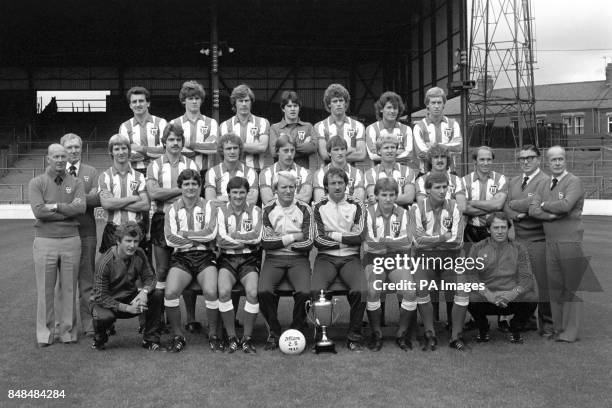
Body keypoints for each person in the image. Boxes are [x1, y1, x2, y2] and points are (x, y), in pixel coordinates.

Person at [29, 144, 85, 347]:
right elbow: (39, 212)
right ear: (48, 159)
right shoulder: (37, 182)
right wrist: (66, 212)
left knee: (69, 288)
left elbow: (80, 208)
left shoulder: (76, 182)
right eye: (56, 156)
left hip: (71, 239)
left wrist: (54, 207)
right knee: (45, 290)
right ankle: (45, 334)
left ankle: (67, 332)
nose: (60, 160)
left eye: (63, 156)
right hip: (45, 241)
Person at [529, 146, 586, 343]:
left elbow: (566, 205)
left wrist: (544, 206)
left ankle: (570, 332)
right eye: (553, 160)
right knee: (554, 288)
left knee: (571, 288)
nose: (557, 162)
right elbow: (532, 209)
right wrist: (550, 212)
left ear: (565, 160)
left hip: (570, 241)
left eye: (560, 159)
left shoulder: (574, 182)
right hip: (550, 241)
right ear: (548, 162)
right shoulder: (543, 184)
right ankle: (558, 328)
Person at [146, 124, 199, 331]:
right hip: (162, 218)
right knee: (161, 269)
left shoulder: (190, 163)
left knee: (187, 266)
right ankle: (159, 317)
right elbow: (154, 194)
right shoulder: (155, 165)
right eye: (171, 139)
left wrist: (170, 191)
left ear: (182, 142)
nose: (175, 143)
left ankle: (191, 318)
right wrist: (181, 189)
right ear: (164, 142)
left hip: (187, 218)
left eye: (178, 139)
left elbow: (194, 193)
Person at [163, 169, 220, 352]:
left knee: (211, 291)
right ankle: (178, 336)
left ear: (200, 186)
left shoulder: (209, 206)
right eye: (186, 184)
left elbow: (212, 233)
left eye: (194, 183)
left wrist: (185, 234)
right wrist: (198, 238)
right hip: (182, 257)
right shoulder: (171, 209)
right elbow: (170, 239)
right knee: (170, 292)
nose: (190, 187)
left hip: (205, 256)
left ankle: (213, 334)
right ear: (180, 186)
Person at [311, 167, 367, 351]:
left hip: (351, 258)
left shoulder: (357, 205)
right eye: (332, 183)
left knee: (360, 290)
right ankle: (321, 337)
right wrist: (346, 238)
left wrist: (333, 235)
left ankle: (354, 338)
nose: (337, 187)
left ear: (346, 185)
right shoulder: (318, 206)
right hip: (326, 258)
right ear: (326, 187)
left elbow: (359, 237)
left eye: (340, 183)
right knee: (316, 290)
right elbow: (318, 240)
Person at [363, 178, 420, 351]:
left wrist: (384, 242)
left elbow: (408, 242)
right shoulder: (367, 213)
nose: (388, 199)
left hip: (398, 260)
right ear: (376, 196)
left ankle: (401, 334)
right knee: (372, 291)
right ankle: (376, 333)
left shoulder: (404, 213)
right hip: (374, 261)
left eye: (392, 195)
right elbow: (368, 244)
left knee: (410, 292)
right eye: (384, 195)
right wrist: (392, 243)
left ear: (396, 196)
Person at [259, 172, 314, 350]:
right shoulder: (267, 208)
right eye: (284, 187)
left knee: (305, 292)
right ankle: (274, 332)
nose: (288, 190)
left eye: (291, 187)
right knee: (263, 291)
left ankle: (296, 329)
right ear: (275, 189)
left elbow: (308, 242)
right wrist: (292, 237)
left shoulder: (305, 208)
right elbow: (266, 242)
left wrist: (280, 240)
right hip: (273, 259)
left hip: (298, 259)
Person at [413, 172, 468, 350]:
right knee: (421, 289)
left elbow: (457, 241)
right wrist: (442, 238)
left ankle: (456, 336)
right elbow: (417, 242)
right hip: (425, 259)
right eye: (438, 187)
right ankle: (430, 333)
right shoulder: (416, 208)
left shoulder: (455, 207)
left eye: (445, 187)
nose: (442, 190)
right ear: (427, 189)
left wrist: (432, 240)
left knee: (462, 290)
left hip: (451, 258)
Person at [90, 222, 163, 350]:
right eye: (128, 241)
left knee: (157, 294)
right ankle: (100, 337)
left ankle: (150, 339)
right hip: (106, 302)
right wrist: (127, 308)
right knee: (104, 317)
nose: (132, 245)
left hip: (129, 297)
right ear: (118, 241)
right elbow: (100, 296)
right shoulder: (105, 261)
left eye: (135, 241)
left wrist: (144, 292)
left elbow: (151, 278)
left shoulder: (139, 253)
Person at [467, 212, 538, 344]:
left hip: (510, 298)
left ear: (508, 229)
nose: (500, 231)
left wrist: (512, 293)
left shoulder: (519, 248)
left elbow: (527, 277)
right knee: (468, 297)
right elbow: (471, 276)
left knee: (532, 297)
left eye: (503, 227)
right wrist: (487, 294)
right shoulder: (477, 248)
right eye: (496, 228)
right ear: (488, 230)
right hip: (486, 298)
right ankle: (483, 328)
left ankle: (515, 327)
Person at [504, 144, 552, 335]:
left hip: (538, 240)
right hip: (518, 239)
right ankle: (526, 320)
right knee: (522, 282)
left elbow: (538, 206)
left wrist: (518, 204)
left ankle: (547, 324)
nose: (525, 161)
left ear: (538, 159)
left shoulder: (546, 181)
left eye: (529, 157)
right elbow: (506, 207)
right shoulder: (514, 181)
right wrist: (516, 215)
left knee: (544, 284)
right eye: (522, 158)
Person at [216, 176, 263, 353]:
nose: (238, 196)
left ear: (247, 193)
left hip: (249, 259)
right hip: (227, 259)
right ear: (228, 194)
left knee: (252, 292)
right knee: (224, 292)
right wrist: (245, 239)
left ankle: (247, 339)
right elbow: (220, 240)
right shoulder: (221, 211)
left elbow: (257, 237)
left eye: (242, 192)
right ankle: (232, 337)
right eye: (234, 192)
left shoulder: (256, 210)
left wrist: (235, 237)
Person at [60, 133, 100, 337]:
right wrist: (81, 200)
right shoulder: (55, 172)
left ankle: (89, 324)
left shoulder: (91, 171)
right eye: (69, 148)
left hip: (87, 233)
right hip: (63, 234)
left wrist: (70, 199)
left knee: (87, 280)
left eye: (76, 147)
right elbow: (51, 200)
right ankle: (67, 325)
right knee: (66, 282)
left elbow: (95, 199)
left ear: (81, 148)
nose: (73, 151)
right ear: (62, 150)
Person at [98, 135, 151, 254]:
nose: (121, 152)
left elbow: (146, 205)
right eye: (116, 149)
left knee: (138, 269)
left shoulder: (139, 176)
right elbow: (106, 204)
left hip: (136, 230)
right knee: (113, 270)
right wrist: (132, 198)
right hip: (113, 230)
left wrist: (115, 202)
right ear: (111, 152)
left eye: (124, 148)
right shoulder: (105, 176)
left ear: (129, 151)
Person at [170, 80, 219, 176]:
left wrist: (188, 144)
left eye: (197, 98)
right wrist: (202, 148)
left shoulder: (211, 122)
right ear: (184, 100)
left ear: (201, 100)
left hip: (205, 172)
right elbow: (172, 148)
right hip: (181, 172)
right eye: (190, 98)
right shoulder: (174, 123)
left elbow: (213, 147)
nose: (194, 101)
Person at [219, 84, 270, 172]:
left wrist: (236, 145)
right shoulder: (225, 125)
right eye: (240, 101)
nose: (244, 104)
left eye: (247, 100)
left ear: (251, 102)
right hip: (232, 171)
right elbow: (225, 150)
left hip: (256, 170)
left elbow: (262, 147)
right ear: (235, 103)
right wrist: (253, 145)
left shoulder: (262, 122)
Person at [462, 146, 507, 243]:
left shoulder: (500, 179)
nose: (486, 163)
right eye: (482, 159)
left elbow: (498, 205)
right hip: (471, 231)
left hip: (495, 230)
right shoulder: (465, 181)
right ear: (475, 161)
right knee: (472, 257)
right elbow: (464, 208)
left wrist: (473, 203)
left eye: (489, 159)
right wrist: (492, 208)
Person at [413, 87, 462, 174]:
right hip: (426, 173)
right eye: (433, 103)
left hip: (450, 173)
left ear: (443, 104)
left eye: (439, 102)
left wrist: (434, 146)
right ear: (427, 105)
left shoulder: (453, 124)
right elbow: (420, 153)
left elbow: (458, 147)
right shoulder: (419, 126)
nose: (436, 106)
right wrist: (447, 148)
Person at [118, 86, 167, 174]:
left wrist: (139, 148)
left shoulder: (161, 123)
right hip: (134, 173)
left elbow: (164, 151)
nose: (138, 104)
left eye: (141, 101)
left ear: (148, 103)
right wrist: (152, 153)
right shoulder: (125, 126)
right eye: (134, 102)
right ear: (130, 105)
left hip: (159, 171)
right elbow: (125, 155)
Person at [315, 84, 366, 165]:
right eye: (335, 101)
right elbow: (324, 155)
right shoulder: (320, 126)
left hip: (351, 174)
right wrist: (350, 150)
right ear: (329, 104)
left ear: (345, 103)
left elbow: (362, 155)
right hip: (328, 173)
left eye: (341, 100)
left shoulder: (358, 126)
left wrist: (335, 155)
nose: (338, 104)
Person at [268, 90, 318, 171]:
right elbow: (274, 153)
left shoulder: (308, 126)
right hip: (281, 174)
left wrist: (284, 148)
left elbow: (313, 147)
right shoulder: (275, 128)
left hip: (303, 174)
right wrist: (303, 147)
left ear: (299, 108)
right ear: (283, 109)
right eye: (289, 106)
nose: (293, 109)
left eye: (295, 106)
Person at [205, 133, 259, 206]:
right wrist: (239, 199)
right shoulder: (212, 172)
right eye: (228, 148)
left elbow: (252, 201)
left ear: (240, 150)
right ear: (222, 151)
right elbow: (210, 201)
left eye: (235, 148)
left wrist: (221, 198)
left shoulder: (250, 172)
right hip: (219, 214)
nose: (232, 152)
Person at [364, 134, 417, 208]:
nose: (390, 151)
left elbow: (409, 198)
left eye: (393, 147)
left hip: (402, 213)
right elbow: (373, 197)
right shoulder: (370, 173)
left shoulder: (408, 171)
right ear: (379, 151)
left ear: (396, 150)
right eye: (386, 148)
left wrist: (381, 198)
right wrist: (400, 198)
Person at [259, 133, 312, 205]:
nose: (290, 154)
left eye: (292, 150)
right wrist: (296, 197)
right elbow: (267, 201)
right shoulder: (266, 173)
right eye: (286, 151)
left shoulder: (305, 172)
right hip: (274, 214)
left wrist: (277, 197)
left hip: (298, 215)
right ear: (277, 151)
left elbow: (305, 199)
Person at [365, 91, 414, 168]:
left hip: (401, 174)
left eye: (395, 108)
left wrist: (382, 152)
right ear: (381, 109)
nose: (392, 111)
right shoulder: (371, 129)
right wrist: (399, 151)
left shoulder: (406, 129)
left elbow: (409, 155)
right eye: (389, 107)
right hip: (379, 173)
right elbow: (373, 156)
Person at [415, 144, 466, 212]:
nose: (440, 160)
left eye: (443, 157)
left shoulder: (457, 180)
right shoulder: (421, 181)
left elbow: (462, 207)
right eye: (436, 157)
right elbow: (423, 208)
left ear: (447, 160)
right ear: (430, 160)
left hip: (453, 221)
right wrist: (452, 202)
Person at [313, 136, 365, 202]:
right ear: (329, 153)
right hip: (328, 211)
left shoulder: (357, 173)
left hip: (351, 211)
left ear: (346, 151)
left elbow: (359, 201)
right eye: (336, 150)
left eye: (342, 149)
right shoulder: (320, 173)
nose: (340, 153)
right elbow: (319, 201)